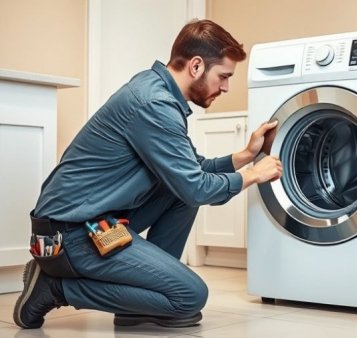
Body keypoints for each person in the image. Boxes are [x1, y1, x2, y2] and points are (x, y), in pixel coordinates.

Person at [13, 19, 282, 329]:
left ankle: (139, 302)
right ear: (196, 66)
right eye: (223, 76)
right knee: (189, 297)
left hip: (95, 223)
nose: (225, 87)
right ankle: (53, 288)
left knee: (179, 194)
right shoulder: (155, 104)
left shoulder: (157, 92)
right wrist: (253, 174)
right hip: (68, 234)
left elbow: (190, 174)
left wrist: (245, 156)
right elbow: (197, 187)